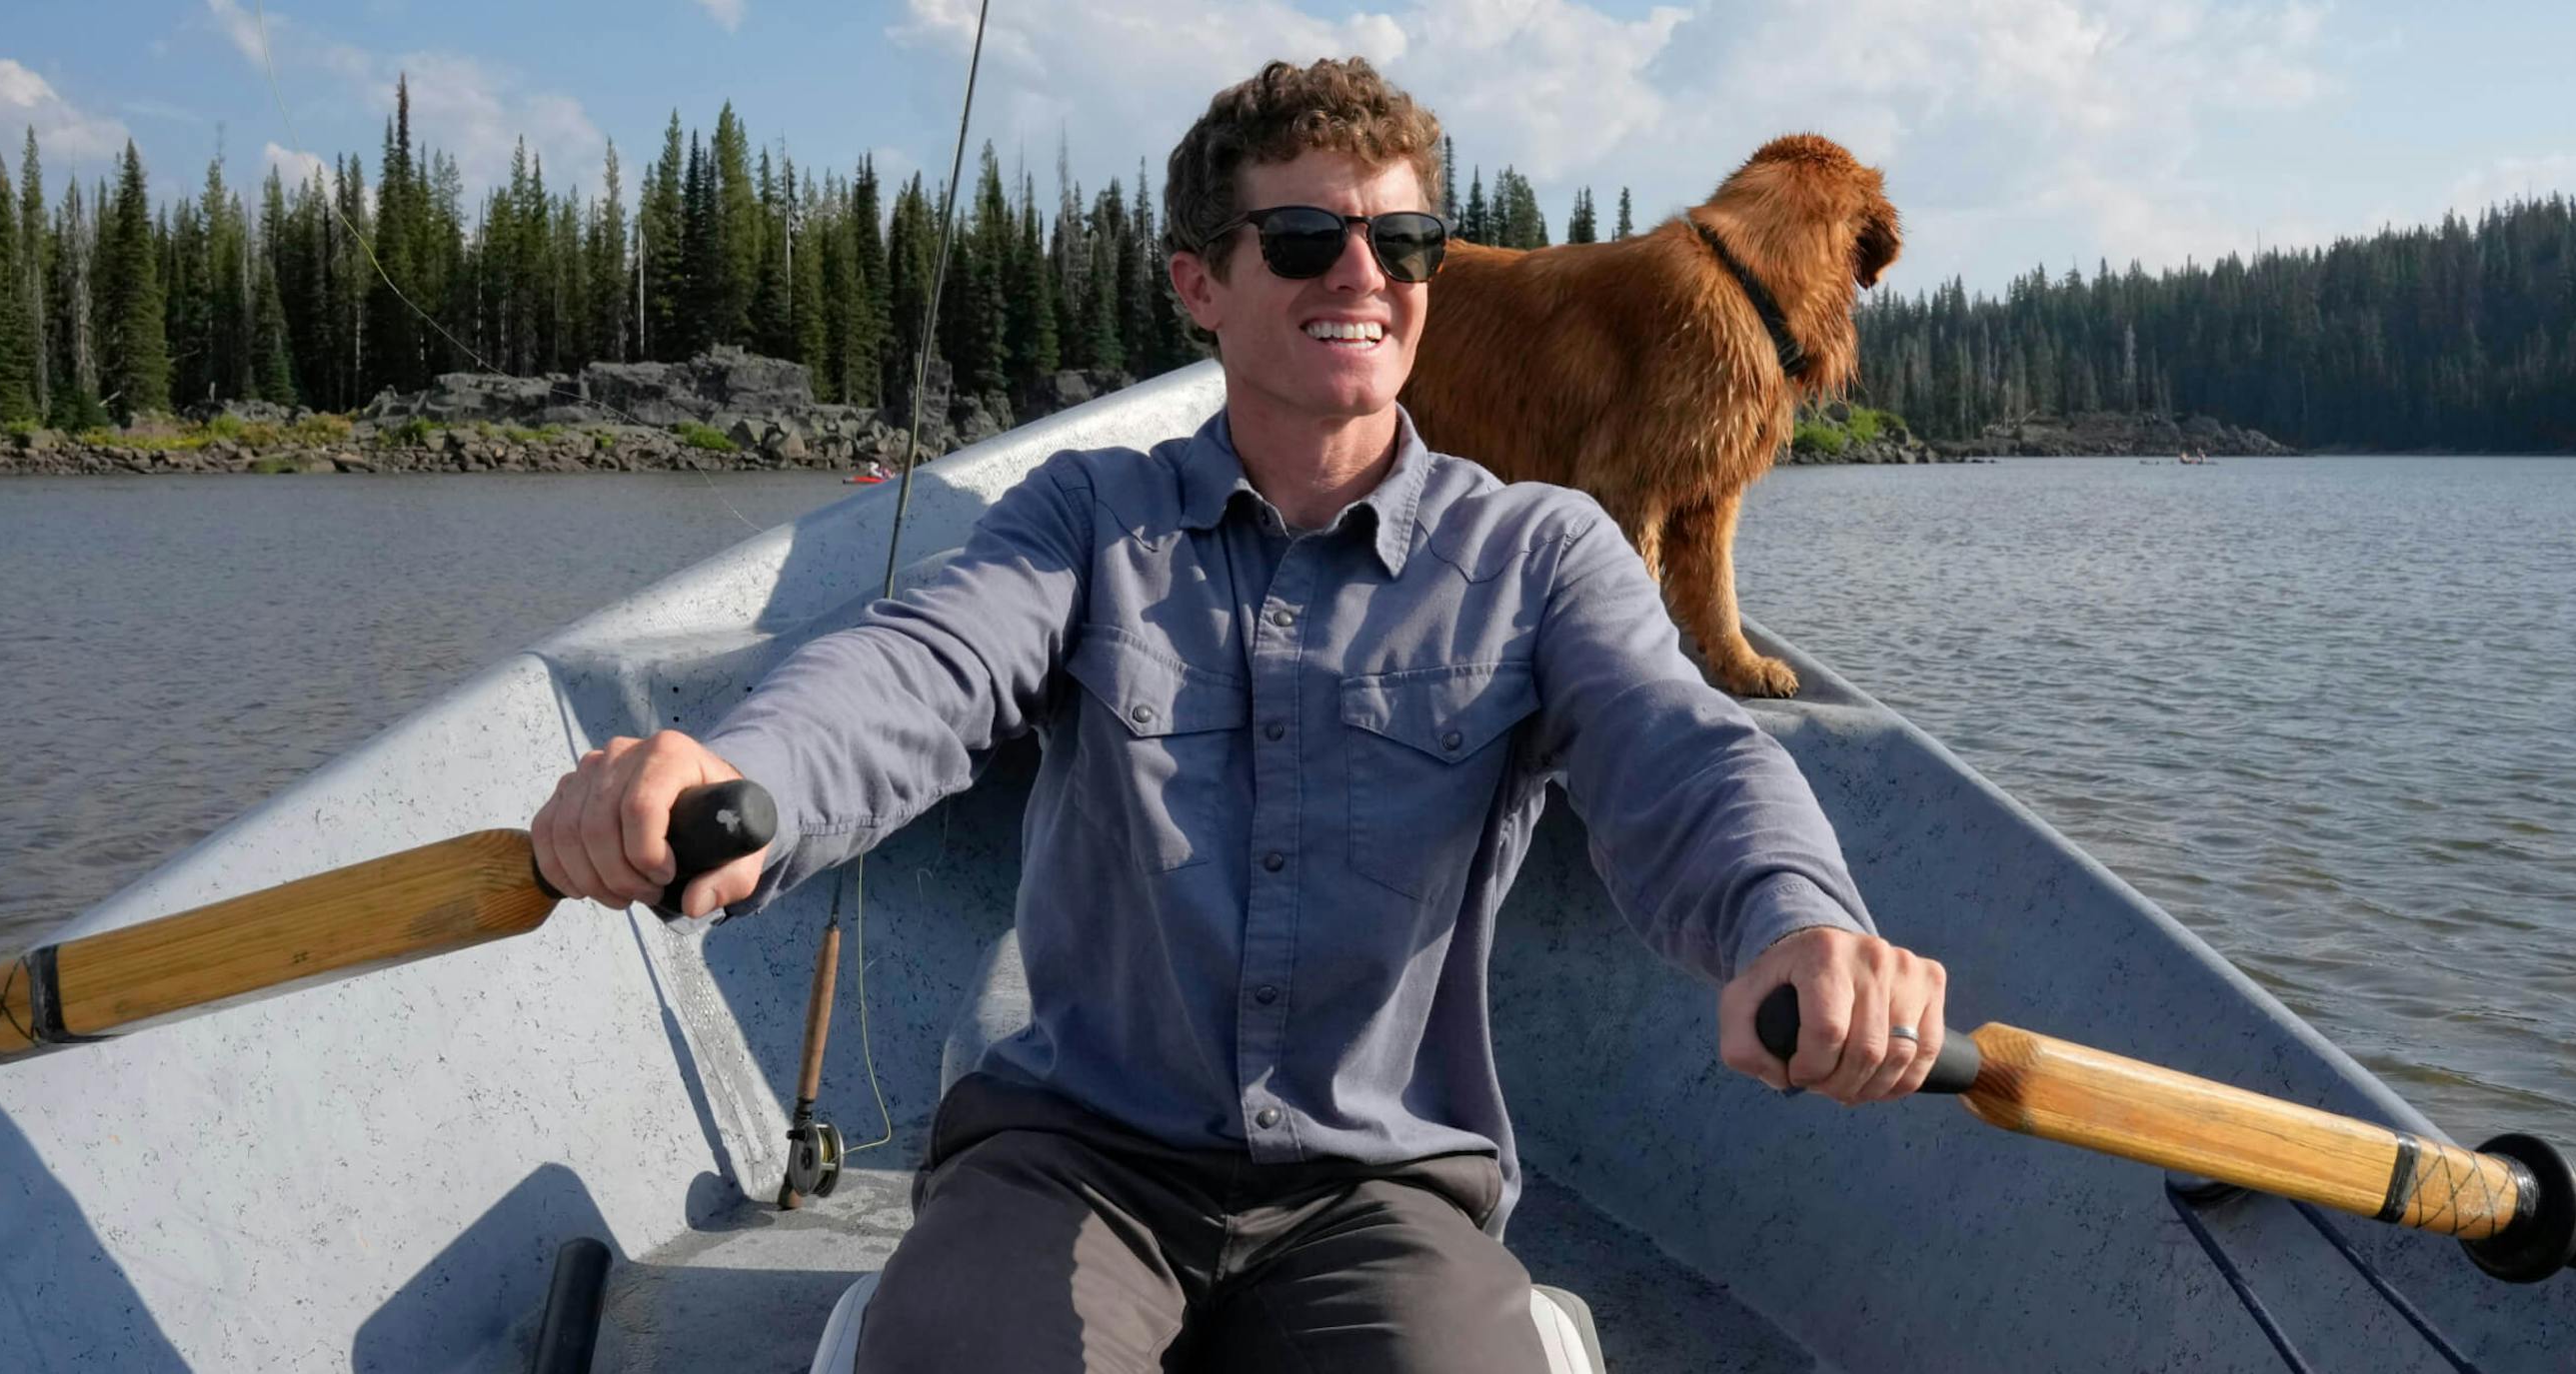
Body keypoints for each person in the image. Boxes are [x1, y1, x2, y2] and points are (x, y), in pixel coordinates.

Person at [531, 57, 1948, 1374]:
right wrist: (734, 779)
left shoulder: (1543, 553)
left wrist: (1796, 923)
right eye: (1302, 243)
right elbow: (917, 674)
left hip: (1380, 1186)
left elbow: (1678, 757)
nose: (1365, 277)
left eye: (1405, 246)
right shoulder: (1086, 521)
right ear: (1200, 283)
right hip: (1074, 1159)